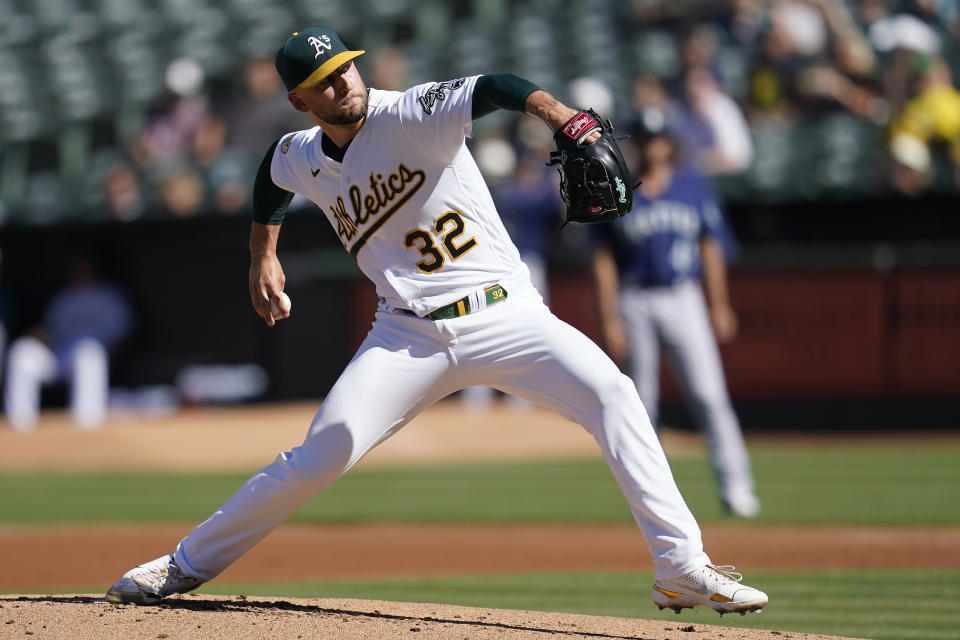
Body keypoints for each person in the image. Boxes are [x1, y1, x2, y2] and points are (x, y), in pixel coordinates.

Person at [106, 26, 768, 615]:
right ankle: (184, 565)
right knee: (320, 453)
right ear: (300, 102)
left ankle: (680, 568)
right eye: (322, 82)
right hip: (406, 335)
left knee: (613, 393)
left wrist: (558, 113)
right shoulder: (301, 151)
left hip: (505, 313)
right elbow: (270, 178)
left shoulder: (411, 112)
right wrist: (263, 256)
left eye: (345, 67)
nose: (342, 82)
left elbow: (499, 86)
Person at [590, 113, 760, 519]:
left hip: (685, 295)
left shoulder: (692, 184)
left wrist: (718, 303)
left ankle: (737, 488)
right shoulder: (618, 184)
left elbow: (711, 247)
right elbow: (603, 259)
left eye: (658, 137)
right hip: (635, 298)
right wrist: (609, 317)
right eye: (646, 136)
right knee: (641, 404)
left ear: (669, 142)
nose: (653, 145)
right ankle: (651, 501)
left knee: (709, 395)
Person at [4, 252, 133, 432]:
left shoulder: (108, 296)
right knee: (22, 353)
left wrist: (114, 356)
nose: (80, 272)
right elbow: (49, 332)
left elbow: (122, 333)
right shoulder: (63, 298)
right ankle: (19, 425)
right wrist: (35, 335)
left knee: (88, 352)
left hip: (93, 355)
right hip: (60, 354)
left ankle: (87, 425)